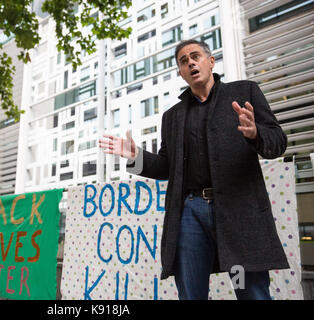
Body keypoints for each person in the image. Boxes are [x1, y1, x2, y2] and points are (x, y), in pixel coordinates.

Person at [98, 39, 289, 300]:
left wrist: (255, 134)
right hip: (190, 215)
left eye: (195, 56)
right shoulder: (172, 116)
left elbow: (277, 144)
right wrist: (135, 156)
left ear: (210, 62)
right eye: (183, 60)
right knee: (190, 292)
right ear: (181, 72)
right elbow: (167, 167)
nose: (190, 62)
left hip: (238, 213)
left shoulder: (245, 92)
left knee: (250, 290)